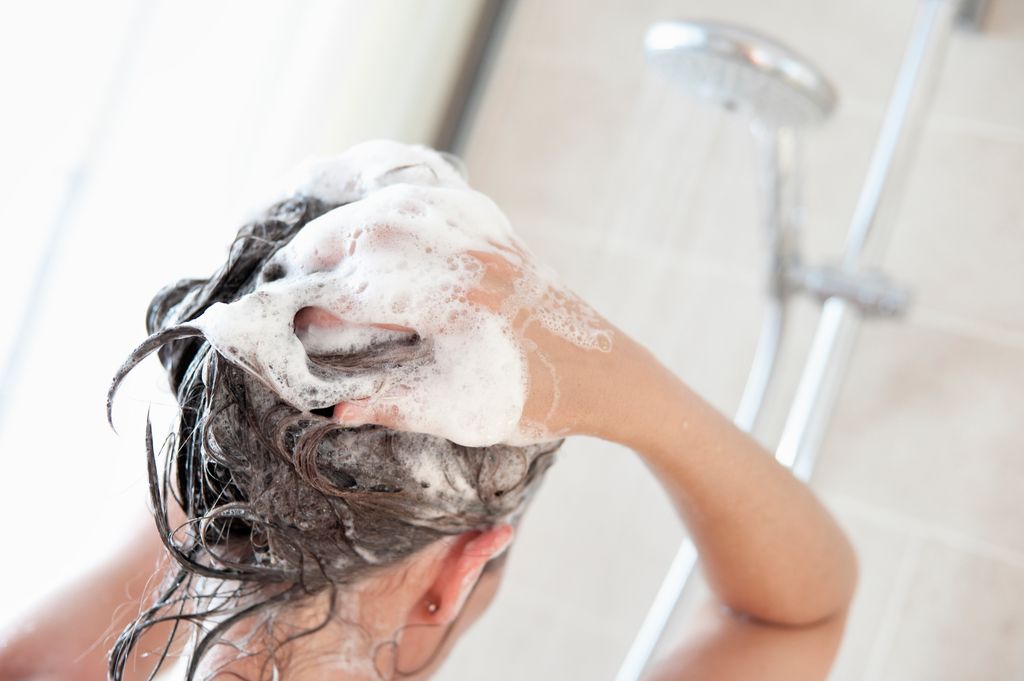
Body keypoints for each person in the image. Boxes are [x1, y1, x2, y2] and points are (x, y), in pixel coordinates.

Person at [0, 142, 857, 681]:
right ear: (455, 578)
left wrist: (256, 401)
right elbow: (789, 612)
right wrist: (628, 385)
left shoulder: (39, 657)